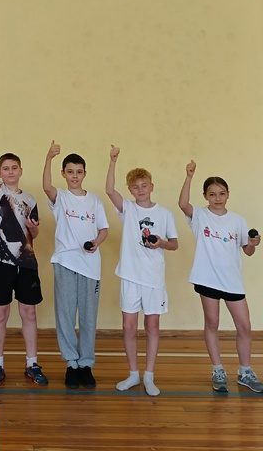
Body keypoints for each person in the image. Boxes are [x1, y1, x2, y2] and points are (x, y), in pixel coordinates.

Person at [178, 160, 262, 393]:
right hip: (207, 279)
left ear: (228, 194)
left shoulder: (238, 220)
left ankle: (245, 372)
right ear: (205, 196)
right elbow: (183, 204)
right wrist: (189, 176)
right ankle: (218, 370)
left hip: (232, 280)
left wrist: (253, 243)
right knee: (212, 323)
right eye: (212, 194)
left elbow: (248, 251)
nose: (217, 198)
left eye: (221, 193)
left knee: (244, 326)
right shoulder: (200, 215)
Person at [0, 108, 48, 388]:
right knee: (0, 314)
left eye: (14, 168)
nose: (10, 171)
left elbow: (35, 233)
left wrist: (33, 227)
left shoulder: (30, 199)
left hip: (26, 263)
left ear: (20, 170)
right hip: (0, 262)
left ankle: (32, 363)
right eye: (5, 168)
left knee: (29, 313)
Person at [106, 145, 178, 396]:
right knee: (128, 326)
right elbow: (109, 190)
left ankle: (149, 375)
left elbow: (174, 244)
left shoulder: (165, 213)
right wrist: (113, 161)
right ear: (130, 190)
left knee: (152, 326)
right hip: (130, 276)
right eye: (135, 187)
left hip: (153, 278)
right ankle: (133, 374)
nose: (140, 190)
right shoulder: (128, 209)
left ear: (151, 186)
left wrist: (161, 243)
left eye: (144, 185)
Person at [42, 140, 108, 389]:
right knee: (66, 314)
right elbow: (46, 186)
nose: (74, 176)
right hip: (66, 261)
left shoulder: (95, 201)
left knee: (89, 317)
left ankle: (86, 364)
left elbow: (103, 229)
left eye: (79, 172)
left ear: (84, 173)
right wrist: (49, 157)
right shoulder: (61, 197)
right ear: (63, 173)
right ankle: (71, 364)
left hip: (90, 265)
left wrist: (96, 242)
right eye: (70, 172)